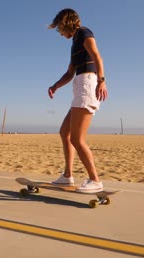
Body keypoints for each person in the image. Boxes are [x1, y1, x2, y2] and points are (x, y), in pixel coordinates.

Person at [47, 8, 108, 193]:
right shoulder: (74, 43)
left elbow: (97, 56)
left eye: (60, 29)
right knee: (64, 132)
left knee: (76, 138)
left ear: (66, 23)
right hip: (79, 85)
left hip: (88, 84)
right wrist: (56, 85)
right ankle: (67, 176)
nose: (60, 33)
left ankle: (95, 180)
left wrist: (102, 81)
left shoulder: (84, 33)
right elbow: (69, 73)